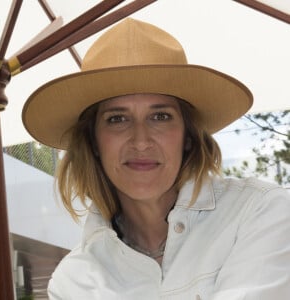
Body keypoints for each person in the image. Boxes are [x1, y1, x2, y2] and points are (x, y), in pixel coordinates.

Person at [22, 18, 290, 300]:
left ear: (188, 135)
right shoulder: (73, 282)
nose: (140, 141)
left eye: (160, 116)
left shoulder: (259, 212)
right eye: (117, 119)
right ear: (93, 141)